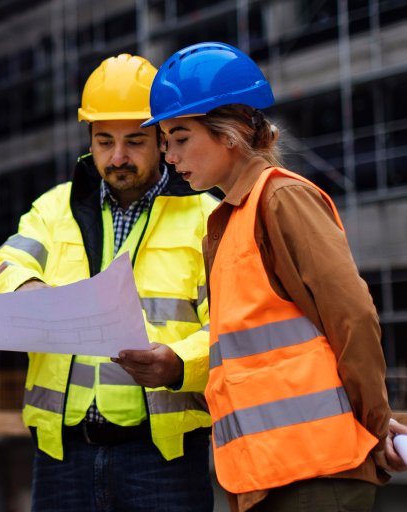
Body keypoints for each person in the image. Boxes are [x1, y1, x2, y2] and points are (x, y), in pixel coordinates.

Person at [142, 41, 407, 511]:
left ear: (229, 132)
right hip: (271, 476)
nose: (170, 156)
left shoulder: (280, 200)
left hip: (319, 473)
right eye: (165, 141)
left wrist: (374, 422)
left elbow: (353, 317)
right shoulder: (230, 219)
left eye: (181, 138)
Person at [0, 54, 218, 511]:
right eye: (104, 141)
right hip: (62, 456)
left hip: (163, 459)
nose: (118, 157)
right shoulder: (55, 209)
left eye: (135, 141)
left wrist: (179, 363)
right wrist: (27, 291)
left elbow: (232, 325)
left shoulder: (206, 217)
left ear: (162, 138)